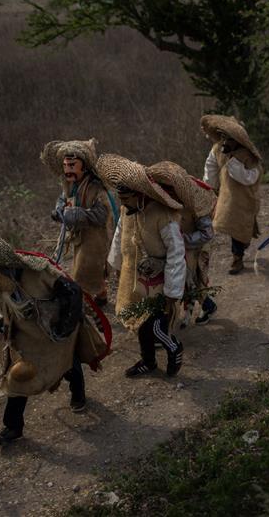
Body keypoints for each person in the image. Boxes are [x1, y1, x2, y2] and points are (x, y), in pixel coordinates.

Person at [0, 238, 108, 446]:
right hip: (28, 337)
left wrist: (64, 327)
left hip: (55, 329)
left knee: (66, 362)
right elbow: (4, 308)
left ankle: (78, 395)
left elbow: (73, 292)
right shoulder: (2, 285)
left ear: (5, 268)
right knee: (18, 377)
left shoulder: (40, 272)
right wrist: (3, 326)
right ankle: (13, 427)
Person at [100, 154, 187, 377]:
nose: (122, 203)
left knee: (155, 324)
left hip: (161, 278)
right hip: (136, 277)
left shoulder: (162, 215)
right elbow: (120, 236)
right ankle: (148, 361)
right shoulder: (127, 211)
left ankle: (173, 348)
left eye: (126, 198)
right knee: (142, 324)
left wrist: (172, 292)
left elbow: (177, 253)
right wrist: (114, 265)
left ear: (139, 194)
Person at [42, 138, 116, 306]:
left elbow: (102, 216)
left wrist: (78, 214)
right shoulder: (68, 184)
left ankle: (83, 302)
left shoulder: (96, 188)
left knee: (86, 270)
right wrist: (59, 210)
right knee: (77, 267)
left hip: (94, 236)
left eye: (72, 165)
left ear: (83, 166)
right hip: (75, 234)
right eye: (66, 166)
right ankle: (101, 296)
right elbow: (63, 199)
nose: (68, 170)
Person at [147, 160, 219, 327]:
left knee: (192, 279)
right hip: (176, 246)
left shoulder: (196, 202)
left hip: (195, 247)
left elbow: (207, 234)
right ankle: (189, 311)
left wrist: (183, 240)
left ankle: (204, 307)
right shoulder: (162, 202)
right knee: (182, 279)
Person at [201, 114, 261, 275]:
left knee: (241, 223)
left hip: (245, 196)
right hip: (227, 196)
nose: (226, 142)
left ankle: (239, 253)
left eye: (230, 138)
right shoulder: (217, 150)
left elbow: (251, 177)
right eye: (224, 137)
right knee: (232, 223)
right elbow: (211, 168)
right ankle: (238, 255)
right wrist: (209, 187)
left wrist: (233, 163)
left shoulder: (247, 155)